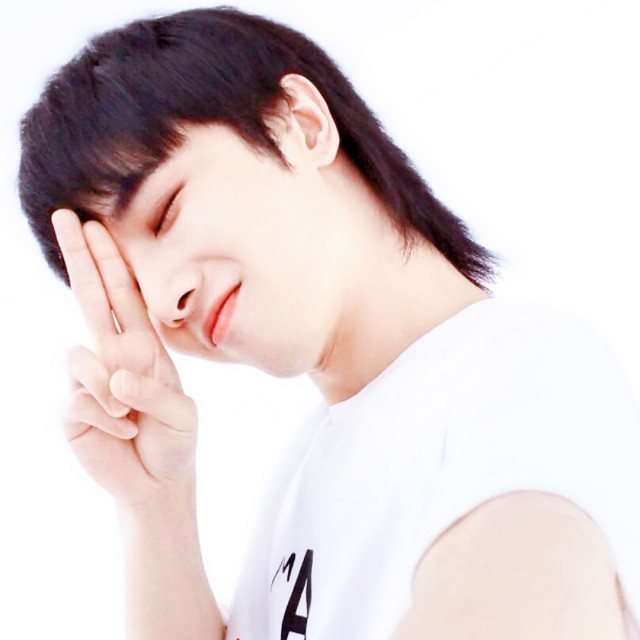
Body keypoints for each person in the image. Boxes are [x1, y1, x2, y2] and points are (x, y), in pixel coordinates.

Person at [17, 6, 640, 640]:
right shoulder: (301, 476)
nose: (161, 300)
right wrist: (154, 506)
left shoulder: (528, 372)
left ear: (301, 124)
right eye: (126, 279)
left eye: (166, 212)